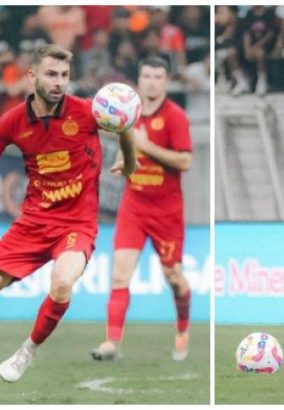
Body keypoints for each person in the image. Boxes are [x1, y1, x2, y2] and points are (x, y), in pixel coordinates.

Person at [0, 44, 136, 399]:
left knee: (63, 281)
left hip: (76, 225)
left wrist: (129, 162)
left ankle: (27, 351)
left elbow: (125, 125)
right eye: (51, 74)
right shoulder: (12, 123)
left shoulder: (86, 111)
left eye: (64, 75)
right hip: (32, 224)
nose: (59, 83)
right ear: (32, 76)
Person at [91, 56, 193, 362]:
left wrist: (147, 146)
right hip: (133, 206)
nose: (151, 81)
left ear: (166, 81)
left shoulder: (175, 117)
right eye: (146, 75)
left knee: (174, 278)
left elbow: (185, 161)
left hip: (166, 211)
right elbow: (130, 151)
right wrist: (125, 160)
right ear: (139, 79)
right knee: (120, 275)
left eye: (158, 77)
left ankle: (183, 332)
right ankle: (111, 342)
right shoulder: (127, 115)